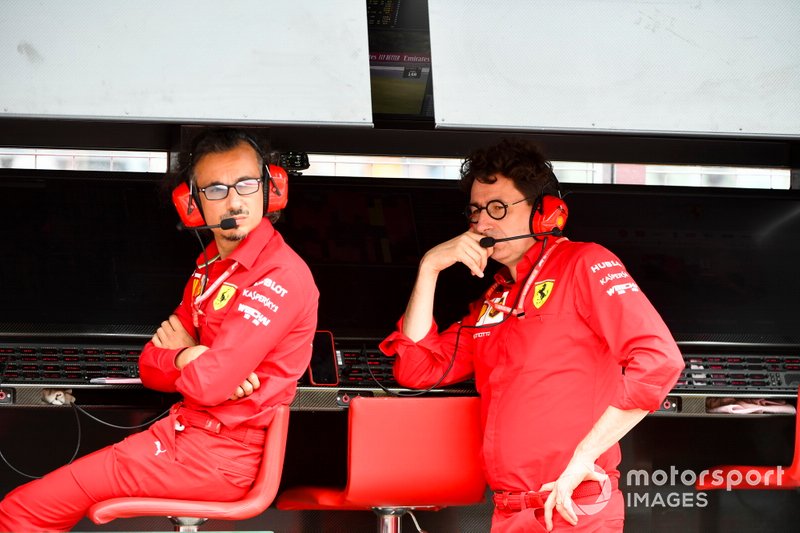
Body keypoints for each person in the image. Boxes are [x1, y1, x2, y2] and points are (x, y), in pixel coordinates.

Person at [0, 128, 319, 531]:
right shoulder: (209, 269)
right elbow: (150, 368)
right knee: (28, 505)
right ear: (193, 202)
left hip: (215, 457)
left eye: (246, 184)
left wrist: (202, 366)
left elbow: (209, 386)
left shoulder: (281, 273)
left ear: (271, 188)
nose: (234, 200)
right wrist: (189, 355)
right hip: (182, 439)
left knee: (22, 511)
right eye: (216, 188)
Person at [379, 138, 684, 532]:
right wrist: (429, 267)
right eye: (475, 211)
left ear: (545, 213)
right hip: (508, 511)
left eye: (497, 208)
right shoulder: (496, 300)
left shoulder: (585, 263)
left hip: (575, 504)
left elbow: (659, 361)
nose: (482, 224)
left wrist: (585, 458)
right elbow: (417, 369)